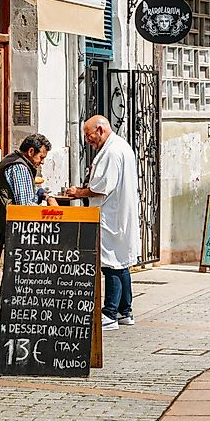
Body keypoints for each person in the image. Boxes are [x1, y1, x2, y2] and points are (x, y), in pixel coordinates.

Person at [66, 115, 141, 331]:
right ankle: (124, 311)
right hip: (118, 213)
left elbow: (101, 187)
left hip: (111, 215)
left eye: (89, 135)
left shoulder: (112, 151)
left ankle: (109, 314)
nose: (88, 140)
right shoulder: (120, 146)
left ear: (100, 129)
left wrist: (77, 192)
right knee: (121, 261)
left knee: (111, 265)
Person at [0, 133, 57, 239]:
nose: (42, 162)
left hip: (7, 221)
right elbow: (25, 207)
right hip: (8, 224)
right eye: (41, 157)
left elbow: (27, 191)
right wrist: (49, 212)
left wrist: (45, 195)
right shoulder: (19, 167)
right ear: (31, 151)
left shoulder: (14, 158)